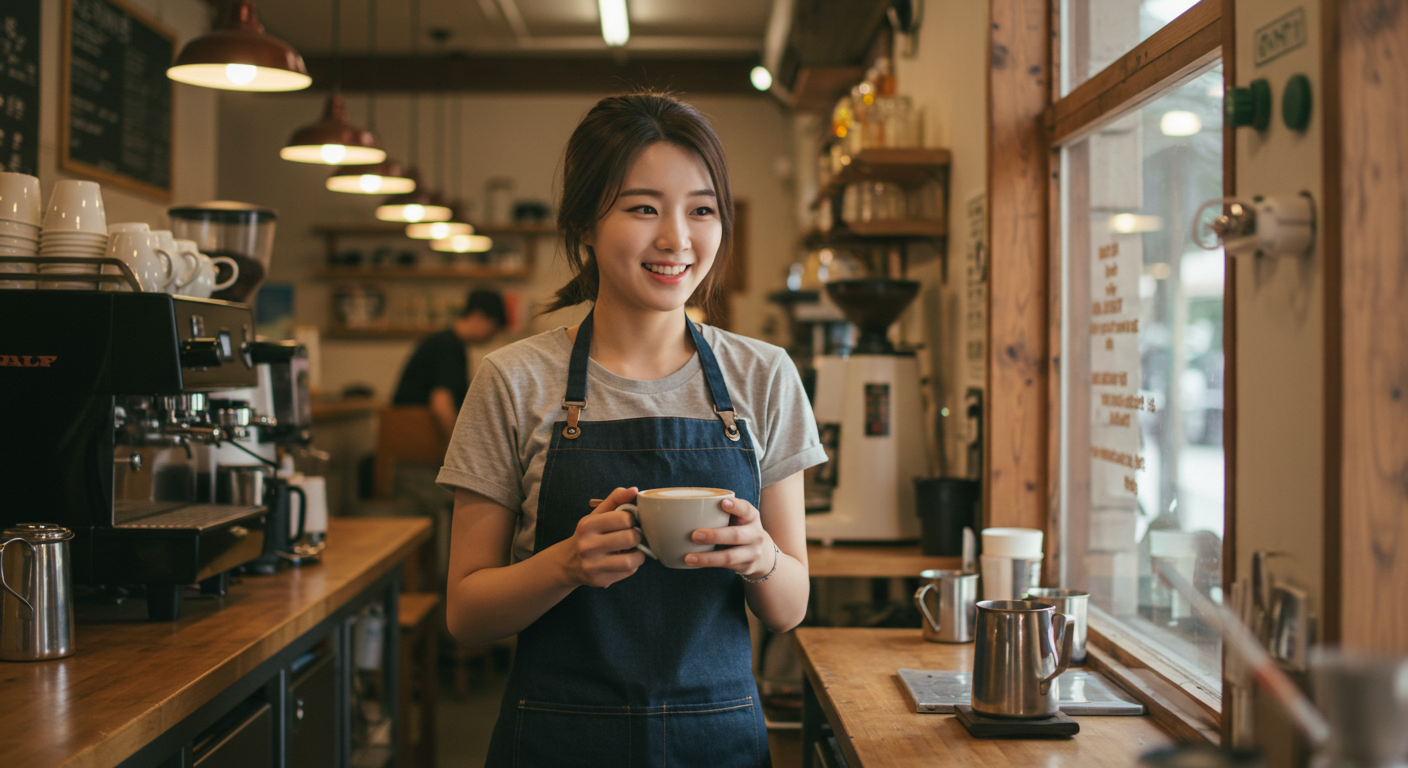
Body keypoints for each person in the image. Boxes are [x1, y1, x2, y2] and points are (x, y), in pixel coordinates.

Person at [438, 92, 826, 767]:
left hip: (718, 742)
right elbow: (466, 615)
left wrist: (759, 556)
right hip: (557, 741)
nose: (676, 238)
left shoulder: (765, 375)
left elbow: (789, 608)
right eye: (644, 208)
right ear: (584, 225)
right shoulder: (512, 380)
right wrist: (564, 565)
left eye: (702, 209)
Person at [392, 289, 506, 439]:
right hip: (413, 436)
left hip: (405, 432)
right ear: (478, 316)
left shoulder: (444, 341)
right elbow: (441, 405)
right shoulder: (450, 346)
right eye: (494, 326)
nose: (493, 334)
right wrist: (460, 446)